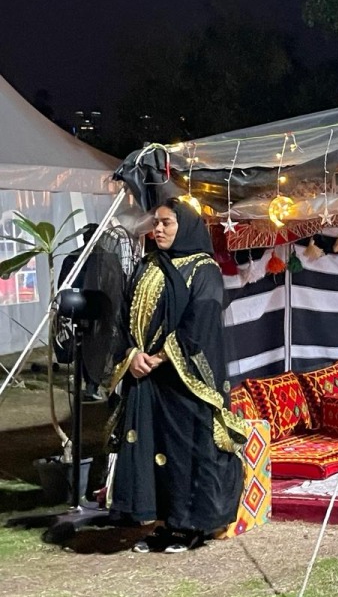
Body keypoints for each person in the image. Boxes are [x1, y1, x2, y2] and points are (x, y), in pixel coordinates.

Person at [107, 200, 246, 553]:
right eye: (156, 223)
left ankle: (192, 526)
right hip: (147, 380)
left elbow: (201, 319)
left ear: (184, 225)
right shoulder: (146, 265)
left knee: (186, 452)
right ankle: (165, 521)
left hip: (185, 382)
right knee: (155, 450)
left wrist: (161, 356)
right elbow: (124, 317)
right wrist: (132, 354)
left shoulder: (203, 270)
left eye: (167, 223)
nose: (159, 229)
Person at [54, 223, 104, 400]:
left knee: (85, 347)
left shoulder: (74, 258)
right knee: (93, 348)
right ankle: (91, 386)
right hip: (93, 311)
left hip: (82, 310)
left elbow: (62, 287)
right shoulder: (102, 258)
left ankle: (89, 384)